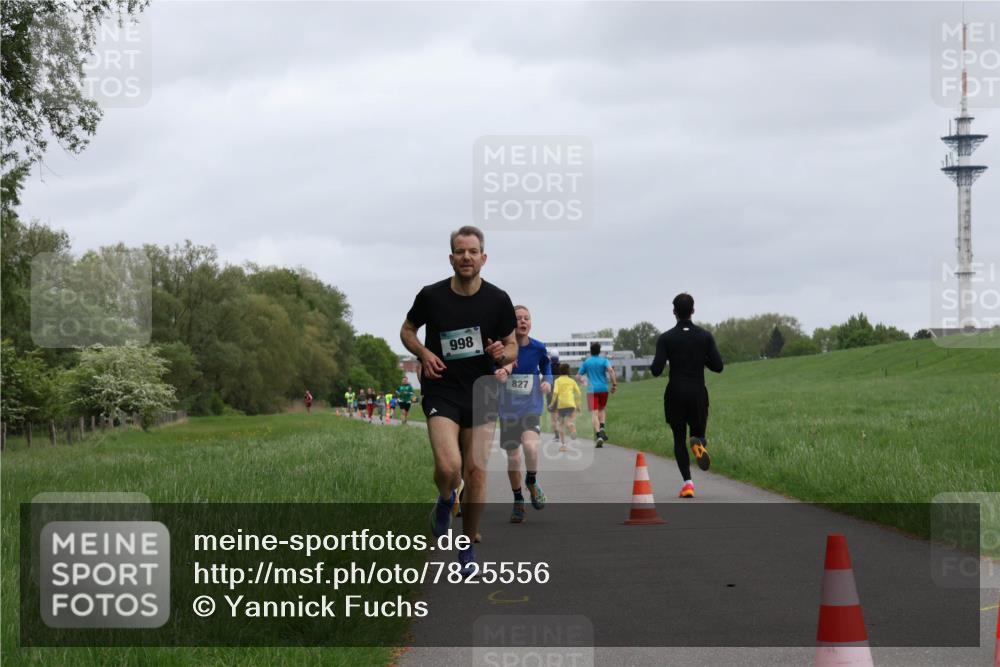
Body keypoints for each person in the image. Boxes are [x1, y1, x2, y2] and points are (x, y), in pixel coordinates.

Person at [400, 225, 517, 577]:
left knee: (476, 471)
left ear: (484, 258)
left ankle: (466, 547)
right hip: (443, 389)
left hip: (482, 390)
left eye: (473, 251)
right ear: (451, 258)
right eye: (460, 251)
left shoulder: (498, 299)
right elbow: (407, 330)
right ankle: (446, 498)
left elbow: (512, 345)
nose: (467, 257)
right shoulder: (431, 296)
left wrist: (501, 354)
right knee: (450, 467)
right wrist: (423, 353)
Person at [650, 292, 724, 498]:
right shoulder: (705, 336)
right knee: (697, 434)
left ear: (674, 311)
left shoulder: (666, 338)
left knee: (678, 438)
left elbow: (656, 370)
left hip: (675, 394)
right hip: (697, 393)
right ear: (693, 310)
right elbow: (718, 366)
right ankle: (699, 443)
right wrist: (701, 357)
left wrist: (665, 358)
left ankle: (688, 483)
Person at [495, 305, 552, 524]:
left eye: (526, 318)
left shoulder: (538, 348)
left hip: (531, 407)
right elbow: (492, 369)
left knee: (530, 447)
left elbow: (547, 366)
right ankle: (518, 500)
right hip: (508, 410)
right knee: (514, 458)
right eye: (518, 318)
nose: (523, 321)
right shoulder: (502, 349)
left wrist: (548, 380)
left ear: (531, 322)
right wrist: (499, 374)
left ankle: (532, 480)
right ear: (512, 324)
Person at [576, 342, 617, 447]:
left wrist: (584, 382)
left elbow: (578, 376)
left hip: (591, 390)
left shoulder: (587, 362)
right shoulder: (604, 360)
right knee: (602, 409)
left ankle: (599, 435)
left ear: (590, 351)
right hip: (603, 388)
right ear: (599, 351)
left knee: (594, 413)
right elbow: (611, 371)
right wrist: (614, 384)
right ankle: (602, 427)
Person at [551, 364, 582, 451]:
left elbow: (555, 393)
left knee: (561, 425)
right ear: (568, 371)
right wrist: (578, 404)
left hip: (561, 405)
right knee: (569, 421)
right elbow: (578, 392)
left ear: (560, 371)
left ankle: (563, 445)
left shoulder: (557, 381)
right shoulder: (572, 381)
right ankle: (572, 427)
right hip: (571, 404)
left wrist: (552, 403)